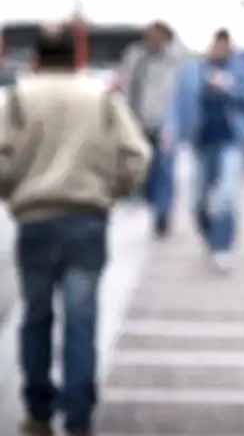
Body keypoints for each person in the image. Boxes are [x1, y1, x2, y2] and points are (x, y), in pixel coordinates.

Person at [1, 28, 151, 436]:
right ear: (77, 56)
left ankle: (38, 412)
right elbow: (138, 155)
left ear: (37, 57)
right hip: (87, 218)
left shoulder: (21, 97)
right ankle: (79, 415)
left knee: (36, 317)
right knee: (81, 320)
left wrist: (13, 190)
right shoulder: (100, 96)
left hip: (35, 218)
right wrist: (112, 192)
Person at [167, 29, 244, 274]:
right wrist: (172, 129)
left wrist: (230, 87)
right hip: (201, 141)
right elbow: (178, 101)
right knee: (199, 201)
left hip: (230, 140)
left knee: (226, 197)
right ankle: (210, 238)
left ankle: (222, 246)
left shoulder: (240, 68)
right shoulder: (193, 69)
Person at [119, 21, 184, 238]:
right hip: (137, 122)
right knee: (143, 169)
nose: (153, 40)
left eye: (158, 36)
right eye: (150, 36)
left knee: (165, 170)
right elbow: (125, 83)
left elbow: (180, 90)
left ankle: (162, 214)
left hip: (165, 124)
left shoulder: (175, 58)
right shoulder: (135, 55)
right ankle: (149, 201)